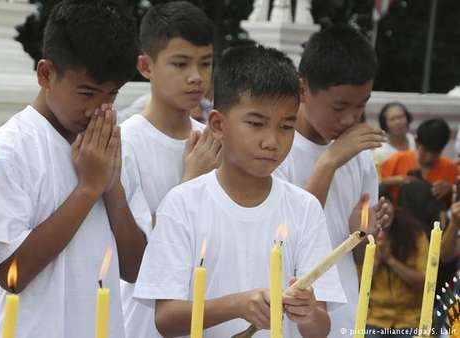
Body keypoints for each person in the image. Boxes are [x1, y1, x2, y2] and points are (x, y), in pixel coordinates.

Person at [134, 45, 345, 337]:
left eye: (286, 126)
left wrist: (307, 313)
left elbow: (320, 327)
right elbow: (167, 318)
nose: (272, 141)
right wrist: (237, 305)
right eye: (256, 124)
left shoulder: (304, 208)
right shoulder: (183, 203)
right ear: (218, 125)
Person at [0, 1, 151, 337]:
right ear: (45, 74)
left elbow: (135, 268)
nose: (98, 108)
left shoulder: (110, 145)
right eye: (86, 92)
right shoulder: (10, 149)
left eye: (111, 94)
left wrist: (111, 187)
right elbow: (12, 273)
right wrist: (87, 190)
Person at [274, 25, 393, 334]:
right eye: (339, 106)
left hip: (343, 315)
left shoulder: (361, 157)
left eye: (362, 105)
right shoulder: (274, 148)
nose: (351, 119)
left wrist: (364, 233)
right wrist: (329, 161)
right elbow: (286, 241)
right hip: (287, 317)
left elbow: (362, 255)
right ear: (303, 90)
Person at [119, 3, 219, 338]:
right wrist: (189, 182)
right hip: (141, 322)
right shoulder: (125, 143)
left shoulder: (213, 141)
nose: (196, 77)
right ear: (146, 66)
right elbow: (141, 259)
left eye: (205, 64)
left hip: (209, 313)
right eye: (180, 63)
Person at [364, 208, 428, 338]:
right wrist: (378, 261)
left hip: (409, 319)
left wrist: (391, 260)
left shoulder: (414, 236)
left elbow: (425, 281)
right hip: (375, 318)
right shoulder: (364, 238)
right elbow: (357, 286)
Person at [380, 118, 457, 205]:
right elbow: (374, 183)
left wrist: (451, 189)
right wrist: (394, 180)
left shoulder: (451, 168)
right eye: (426, 151)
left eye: (435, 152)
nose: (430, 157)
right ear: (417, 142)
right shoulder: (397, 160)